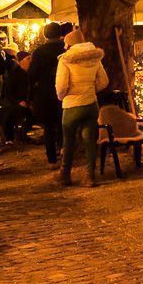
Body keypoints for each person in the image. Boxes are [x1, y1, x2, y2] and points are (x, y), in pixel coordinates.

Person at [55, 29, 108, 186]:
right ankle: (90, 176)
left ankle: (65, 175)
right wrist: (91, 90)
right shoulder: (95, 58)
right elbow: (104, 81)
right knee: (90, 141)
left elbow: (61, 85)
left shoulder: (65, 60)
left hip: (72, 105)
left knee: (69, 140)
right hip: (91, 104)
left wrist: (62, 96)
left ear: (69, 44)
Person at [28, 22, 68, 165]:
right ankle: (64, 153)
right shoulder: (66, 50)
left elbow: (32, 75)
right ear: (60, 34)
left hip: (44, 94)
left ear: (45, 34)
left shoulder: (39, 52)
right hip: (64, 93)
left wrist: (30, 96)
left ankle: (51, 159)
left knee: (49, 128)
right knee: (63, 125)